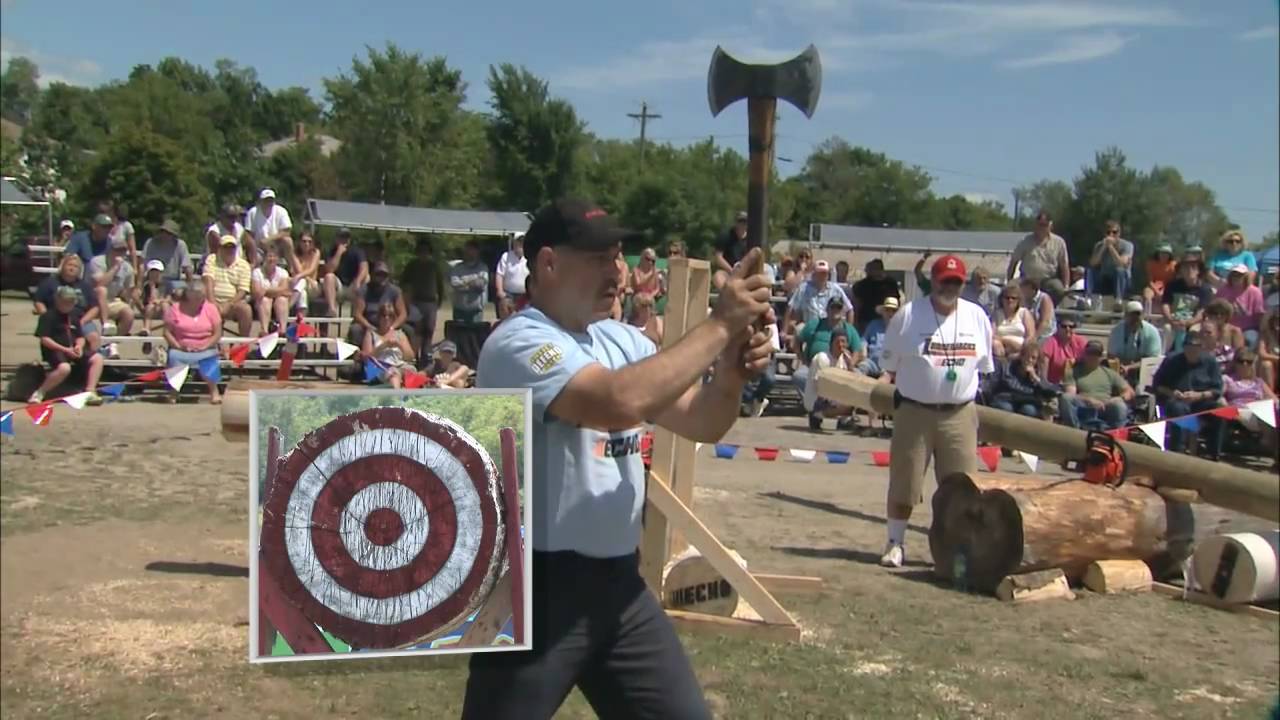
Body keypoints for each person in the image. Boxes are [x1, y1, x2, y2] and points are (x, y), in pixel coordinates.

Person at [463, 199, 772, 720]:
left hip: (620, 588)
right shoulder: (518, 342)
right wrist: (720, 325)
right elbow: (614, 403)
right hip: (539, 590)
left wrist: (732, 371)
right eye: (598, 257)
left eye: (619, 255)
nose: (617, 271)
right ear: (548, 265)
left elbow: (702, 421)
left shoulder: (621, 339)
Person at [878, 254, 994, 568]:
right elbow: (888, 364)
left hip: (960, 413)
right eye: (945, 280)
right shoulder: (908, 315)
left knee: (963, 488)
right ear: (934, 280)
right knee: (906, 482)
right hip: (915, 410)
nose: (951, 287)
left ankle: (956, 550)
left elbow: (983, 366)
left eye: (957, 282)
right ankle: (895, 542)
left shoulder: (976, 316)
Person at [1153, 329, 1226, 458]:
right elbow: (1157, 385)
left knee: (1219, 410)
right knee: (1178, 409)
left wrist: (1199, 395)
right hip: (1177, 400)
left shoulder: (1210, 362)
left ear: (1201, 347)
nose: (1191, 351)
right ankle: (1178, 452)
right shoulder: (1172, 360)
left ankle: (1213, 454)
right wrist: (1172, 393)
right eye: (1188, 347)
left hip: (1201, 401)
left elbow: (1217, 390)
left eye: (1195, 348)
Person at [29, 286, 106, 406]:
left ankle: (90, 391)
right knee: (65, 368)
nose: (68, 304)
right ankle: (40, 393)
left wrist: (79, 346)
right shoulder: (48, 316)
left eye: (71, 301)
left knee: (98, 358)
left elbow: (80, 336)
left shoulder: (75, 315)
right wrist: (64, 349)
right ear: (57, 300)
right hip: (55, 350)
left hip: (73, 349)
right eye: (65, 301)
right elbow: (44, 339)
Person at [792, 296, 863, 416]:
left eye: (838, 308)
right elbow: (798, 340)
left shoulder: (848, 329)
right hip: (814, 366)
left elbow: (857, 350)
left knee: (859, 378)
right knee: (798, 375)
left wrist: (851, 364)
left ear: (842, 311)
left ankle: (832, 409)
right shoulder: (816, 324)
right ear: (827, 309)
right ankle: (815, 405)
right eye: (833, 307)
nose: (835, 310)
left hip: (840, 367)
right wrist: (803, 359)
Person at [162, 283, 223, 404]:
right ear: (190, 296)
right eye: (199, 296)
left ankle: (214, 392)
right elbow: (166, 332)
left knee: (209, 358)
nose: (202, 298)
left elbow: (217, 333)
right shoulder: (175, 308)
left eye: (203, 295)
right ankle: (174, 392)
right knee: (174, 356)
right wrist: (178, 346)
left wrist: (204, 346)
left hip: (206, 347)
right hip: (181, 348)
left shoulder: (210, 308)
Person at [32, 254, 103, 356]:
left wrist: (83, 321)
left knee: (94, 337)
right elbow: (38, 301)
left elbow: (95, 307)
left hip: (80, 319)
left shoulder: (85, 286)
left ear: (79, 270)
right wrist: (46, 316)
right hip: (56, 320)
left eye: (76, 266)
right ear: (63, 266)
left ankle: (89, 364)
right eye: (69, 265)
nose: (72, 268)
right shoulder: (49, 283)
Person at [1058, 340, 1134, 430]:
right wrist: (1089, 400)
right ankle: (1074, 430)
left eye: (1096, 354)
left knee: (1119, 406)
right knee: (1066, 397)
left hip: (1105, 407)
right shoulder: (1074, 372)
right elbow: (1071, 394)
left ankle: (1116, 435)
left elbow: (1130, 391)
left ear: (1101, 357)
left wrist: (1119, 398)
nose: (1092, 356)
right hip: (1084, 408)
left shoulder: (1108, 372)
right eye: (1090, 353)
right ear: (1084, 354)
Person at [1223, 350, 1278, 460]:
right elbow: (1219, 395)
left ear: (1253, 364)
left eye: (1249, 361)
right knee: (1266, 413)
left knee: (1273, 410)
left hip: (1259, 410)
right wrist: (1226, 406)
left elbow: (1275, 400)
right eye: (1241, 361)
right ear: (1235, 363)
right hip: (1240, 411)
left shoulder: (1258, 382)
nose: (1244, 364)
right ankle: (1268, 440)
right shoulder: (1228, 379)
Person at [400, 237, 447, 362]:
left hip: (430, 302)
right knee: (416, 331)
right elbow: (404, 284)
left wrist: (439, 301)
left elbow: (440, 284)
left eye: (426, 251)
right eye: (421, 251)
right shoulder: (412, 265)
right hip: (415, 301)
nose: (423, 253)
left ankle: (426, 356)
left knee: (429, 330)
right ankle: (413, 357)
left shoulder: (434, 266)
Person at [1007, 210, 1070, 303]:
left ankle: (1051, 310)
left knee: (1059, 289)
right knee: (1010, 289)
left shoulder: (1059, 242)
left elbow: (1064, 265)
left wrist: (1066, 285)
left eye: (1045, 225)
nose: (1042, 228)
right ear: (1035, 225)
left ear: (1050, 226)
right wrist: (1009, 281)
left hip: (1048, 280)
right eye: (1040, 224)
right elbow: (1013, 262)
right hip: (1027, 279)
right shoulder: (1025, 241)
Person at [805, 332, 860, 431]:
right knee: (847, 403)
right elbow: (820, 385)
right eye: (837, 342)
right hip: (817, 398)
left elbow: (853, 382)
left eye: (843, 342)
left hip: (832, 395)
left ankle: (843, 421)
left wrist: (850, 366)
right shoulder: (822, 358)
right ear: (831, 343)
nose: (840, 345)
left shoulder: (844, 360)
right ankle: (816, 415)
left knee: (855, 396)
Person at [987, 342, 1056, 419]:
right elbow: (994, 386)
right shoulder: (1007, 367)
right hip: (1006, 398)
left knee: (1029, 410)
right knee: (1006, 408)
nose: (1029, 360)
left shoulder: (1037, 373)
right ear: (1021, 356)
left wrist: (1035, 378)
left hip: (1026, 401)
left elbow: (1050, 391)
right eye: (1027, 356)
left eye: (1033, 358)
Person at [202, 235, 253, 337]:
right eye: (226, 247)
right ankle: (212, 343)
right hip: (212, 299)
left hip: (233, 303)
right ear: (220, 248)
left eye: (232, 247)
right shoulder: (212, 259)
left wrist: (229, 304)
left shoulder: (244, 265)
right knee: (205, 304)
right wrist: (213, 303)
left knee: (246, 309)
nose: (229, 250)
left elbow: (243, 290)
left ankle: (243, 344)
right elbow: (208, 281)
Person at [350, 261, 409, 349]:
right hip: (369, 324)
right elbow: (357, 314)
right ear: (372, 275)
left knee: (409, 330)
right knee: (355, 329)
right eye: (378, 274)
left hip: (389, 324)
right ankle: (358, 357)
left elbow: (403, 314)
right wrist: (370, 327)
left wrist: (392, 327)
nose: (381, 277)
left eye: (384, 275)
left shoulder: (395, 291)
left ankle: (407, 356)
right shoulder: (364, 290)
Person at [88, 236, 137, 337]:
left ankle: (113, 341)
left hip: (113, 300)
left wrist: (131, 294)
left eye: (123, 250)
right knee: (102, 290)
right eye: (117, 250)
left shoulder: (128, 268)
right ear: (110, 249)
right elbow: (99, 284)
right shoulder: (97, 262)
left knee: (129, 313)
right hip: (93, 300)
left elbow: (127, 291)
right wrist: (115, 268)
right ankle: (105, 324)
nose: (120, 253)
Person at [784, 260, 853, 331]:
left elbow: (850, 309)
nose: (822, 276)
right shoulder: (803, 289)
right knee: (799, 330)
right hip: (808, 327)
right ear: (813, 274)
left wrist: (849, 330)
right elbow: (790, 307)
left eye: (824, 273)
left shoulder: (836, 289)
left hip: (831, 328)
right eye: (819, 273)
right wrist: (784, 331)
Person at [1161, 258, 1214, 351]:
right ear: (1180, 270)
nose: (1189, 270)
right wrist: (1170, 319)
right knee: (1167, 329)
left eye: (1193, 267)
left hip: (1194, 322)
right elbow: (1165, 304)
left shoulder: (1205, 289)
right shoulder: (1172, 286)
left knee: (1194, 331)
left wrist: (1188, 322)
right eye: (1186, 267)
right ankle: (1164, 359)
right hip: (1174, 320)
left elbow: (1202, 311)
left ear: (1198, 271)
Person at [1107, 300, 1163, 386]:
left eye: (1138, 314)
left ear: (1143, 315)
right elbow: (1111, 355)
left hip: (1144, 368)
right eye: (1132, 314)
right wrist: (1122, 366)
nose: (1135, 317)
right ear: (1125, 315)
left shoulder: (1152, 331)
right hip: (1121, 368)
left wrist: (1130, 367)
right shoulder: (1116, 331)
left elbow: (1152, 359)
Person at [362, 303, 416, 388]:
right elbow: (367, 358)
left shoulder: (400, 334)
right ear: (379, 317)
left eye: (390, 316)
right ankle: (396, 398)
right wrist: (384, 345)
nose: (386, 318)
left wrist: (399, 346)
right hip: (380, 367)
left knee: (410, 370)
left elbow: (410, 357)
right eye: (384, 315)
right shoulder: (371, 334)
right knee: (393, 373)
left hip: (399, 365)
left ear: (393, 318)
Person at [1216, 265, 1265, 349]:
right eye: (1234, 274)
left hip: (1249, 327)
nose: (1236, 277)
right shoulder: (1222, 290)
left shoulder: (1255, 292)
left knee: (1252, 339)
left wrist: (1262, 331)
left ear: (1245, 277)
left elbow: (1259, 314)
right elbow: (1216, 310)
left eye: (1239, 275)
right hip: (1227, 326)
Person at [322, 228, 368, 316]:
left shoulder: (357, 251)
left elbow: (364, 267)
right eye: (341, 237)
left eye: (346, 237)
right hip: (338, 287)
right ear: (336, 238)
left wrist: (357, 281)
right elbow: (330, 269)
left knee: (366, 278)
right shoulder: (331, 252)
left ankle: (358, 315)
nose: (344, 240)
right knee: (329, 277)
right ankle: (332, 309)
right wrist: (339, 253)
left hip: (353, 286)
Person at [1087, 220, 1134, 308]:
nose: (1111, 235)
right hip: (1105, 279)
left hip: (1122, 281)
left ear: (1119, 233)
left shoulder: (1127, 245)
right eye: (1108, 232)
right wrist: (1104, 247)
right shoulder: (1099, 245)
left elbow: (1121, 263)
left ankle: (1118, 301)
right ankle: (1088, 299)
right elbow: (1093, 263)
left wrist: (1111, 247)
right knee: (1090, 271)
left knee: (1119, 270)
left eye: (1114, 232)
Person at [141, 220, 195, 294]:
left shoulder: (180, 245)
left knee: (180, 291)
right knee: (149, 291)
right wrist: (138, 286)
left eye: (168, 233)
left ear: (173, 235)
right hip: (153, 281)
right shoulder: (151, 243)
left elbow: (187, 267)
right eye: (162, 231)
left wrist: (190, 287)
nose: (164, 235)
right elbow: (142, 265)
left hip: (174, 281)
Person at [850, 259, 900, 334]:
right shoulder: (862, 284)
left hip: (887, 321)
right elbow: (857, 304)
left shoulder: (890, 283)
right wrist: (855, 321)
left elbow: (897, 300)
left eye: (875, 268)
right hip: (866, 320)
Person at [244, 188, 293, 266]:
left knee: (288, 241)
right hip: (259, 247)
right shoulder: (253, 212)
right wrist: (254, 247)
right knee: (257, 259)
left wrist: (269, 240)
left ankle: (291, 267)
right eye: (266, 200)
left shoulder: (281, 211)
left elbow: (287, 231)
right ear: (261, 201)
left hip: (277, 245)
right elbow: (248, 234)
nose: (269, 203)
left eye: (271, 200)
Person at [252, 246, 293, 335]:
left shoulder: (283, 272)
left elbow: (284, 289)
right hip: (260, 304)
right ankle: (264, 330)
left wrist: (266, 290)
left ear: (278, 259)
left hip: (278, 303)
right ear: (264, 258)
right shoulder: (257, 272)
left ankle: (282, 330)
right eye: (269, 256)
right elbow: (257, 292)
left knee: (282, 300)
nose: (272, 259)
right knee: (265, 300)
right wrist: (276, 292)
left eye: (274, 256)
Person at [449, 240, 490, 323]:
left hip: (476, 311)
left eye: (472, 250)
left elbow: (481, 284)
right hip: (459, 310)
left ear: (477, 252)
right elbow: (454, 284)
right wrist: (472, 283)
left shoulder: (483, 267)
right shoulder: (457, 268)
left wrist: (463, 282)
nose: (469, 253)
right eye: (467, 250)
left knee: (475, 335)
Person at [1039, 319, 1087, 385]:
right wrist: (1044, 382)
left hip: (1078, 381)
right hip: (1055, 383)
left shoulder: (1081, 341)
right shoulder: (1051, 341)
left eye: (1071, 326)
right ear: (1058, 327)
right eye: (1064, 326)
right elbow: (1043, 361)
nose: (1068, 329)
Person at [993, 285, 1036, 356]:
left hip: (1021, 349)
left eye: (1013, 298)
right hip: (1001, 347)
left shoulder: (1024, 313)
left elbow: (1031, 336)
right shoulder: (996, 314)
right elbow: (992, 334)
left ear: (1018, 300)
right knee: (995, 344)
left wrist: (1022, 348)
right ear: (1001, 299)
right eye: (1007, 298)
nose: (1010, 300)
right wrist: (1007, 341)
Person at [287, 232, 324, 314]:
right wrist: (305, 278)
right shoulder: (295, 254)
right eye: (304, 241)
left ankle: (288, 306)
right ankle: (301, 320)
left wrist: (298, 276)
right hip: (300, 286)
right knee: (302, 293)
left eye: (309, 241)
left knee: (301, 281)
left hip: (312, 287)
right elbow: (299, 270)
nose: (307, 244)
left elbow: (311, 269)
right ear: (299, 242)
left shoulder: (316, 253)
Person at [495, 234, 530, 319]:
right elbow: (499, 274)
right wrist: (500, 291)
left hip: (525, 295)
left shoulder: (530, 256)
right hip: (508, 294)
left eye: (522, 243)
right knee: (507, 319)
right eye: (519, 243)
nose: (520, 246)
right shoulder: (506, 256)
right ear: (514, 243)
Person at [712, 210, 749, 289]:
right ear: (735, 222)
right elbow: (718, 257)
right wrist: (731, 270)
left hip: (745, 272)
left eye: (745, 222)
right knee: (717, 277)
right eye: (740, 221)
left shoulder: (751, 238)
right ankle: (727, 295)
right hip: (728, 271)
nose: (742, 224)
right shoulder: (726, 236)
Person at [1143, 244, 1177, 314]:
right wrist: (1157, 292)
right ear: (1158, 253)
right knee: (1147, 294)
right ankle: (1147, 316)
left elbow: (1173, 282)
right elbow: (1150, 281)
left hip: (1168, 287)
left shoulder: (1174, 265)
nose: (1164, 256)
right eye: (1162, 253)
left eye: (1166, 254)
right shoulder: (1151, 263)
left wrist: (1163, 291)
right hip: (1154, 286)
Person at [1019, 277, 1056, 341]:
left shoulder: (1044, 298)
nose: (1022, 291)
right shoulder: (1024, 299)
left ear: (1033, 290)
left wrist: (1034, 337)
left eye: (1024, 289)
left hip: (1045, 335)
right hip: (1029, 332)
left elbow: (1045, 322)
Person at [1260, 309, 1280, 390]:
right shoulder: (1266, 335)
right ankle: (1270, 394)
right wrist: (1278, 359)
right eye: (1277, 320)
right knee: (1266, 364)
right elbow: (1261, 353)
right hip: (1273, 368)